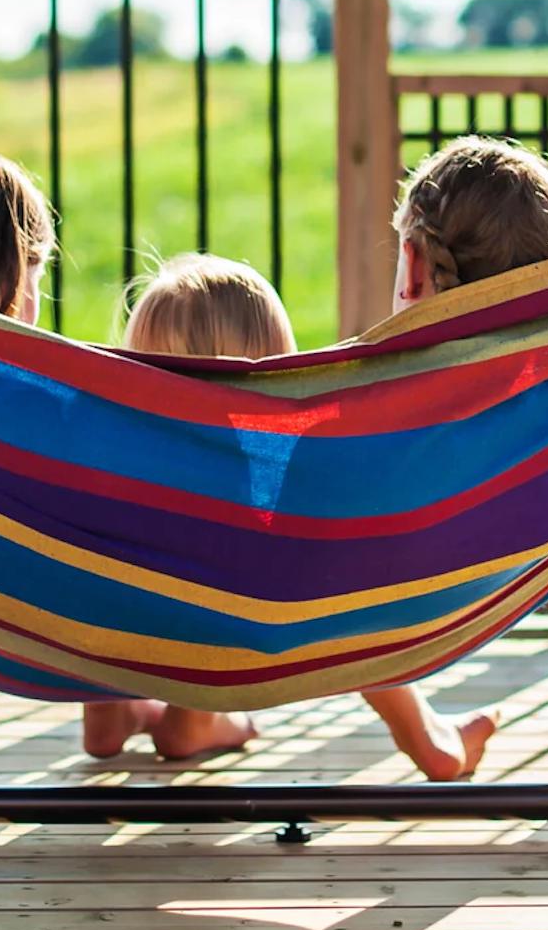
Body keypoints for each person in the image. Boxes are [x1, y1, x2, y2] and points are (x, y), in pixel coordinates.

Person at [0, 139, 256, 762]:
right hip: (78, 608)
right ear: (8, 278)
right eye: (36, 272)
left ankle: (114, 704)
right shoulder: (35, 400)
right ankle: (193, 717)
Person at [125, 253, 498, 782]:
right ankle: (428, 736)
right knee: (342, 595)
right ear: (275, 359)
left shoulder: (125, 461)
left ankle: (130, 711)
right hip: (271, 633)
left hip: (151, 634)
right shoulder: (286, 459)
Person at [391, 136, 548, 780]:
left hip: (377, 608)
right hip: (508, 575)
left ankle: (422, 732)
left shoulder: (365, 399)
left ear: (413, 266)